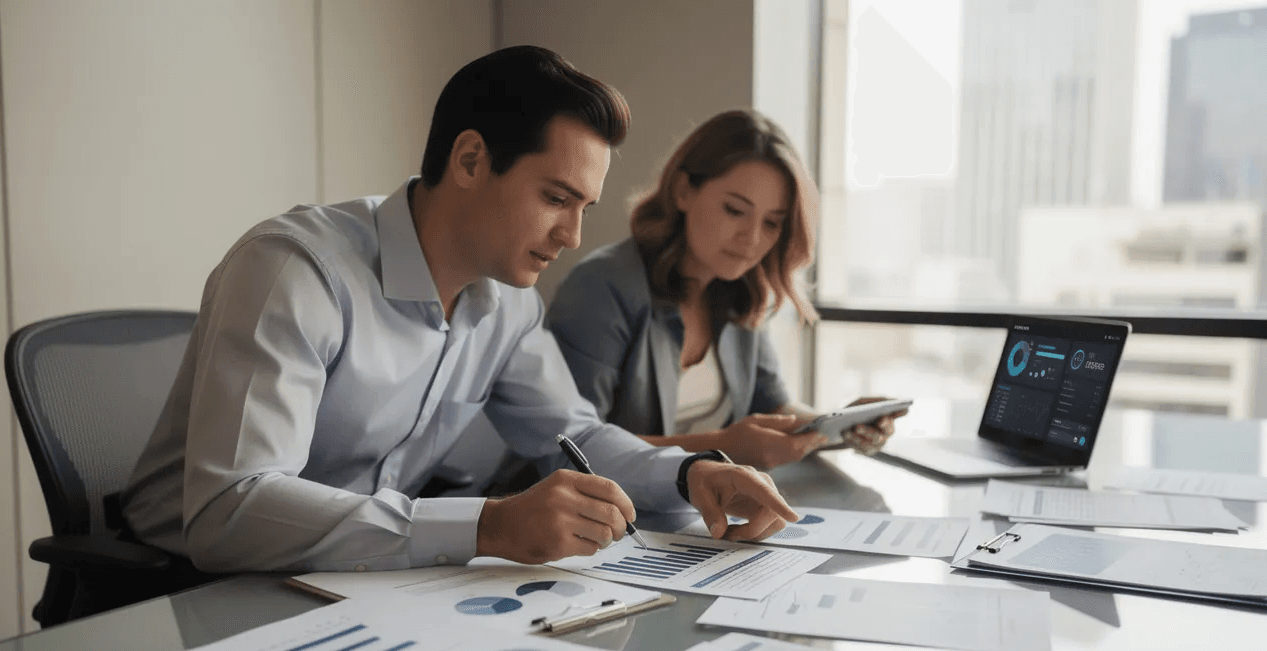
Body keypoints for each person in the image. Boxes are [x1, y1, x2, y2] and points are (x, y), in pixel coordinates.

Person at [121, 47, 799, 578]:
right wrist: (486, 525)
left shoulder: (507, 304)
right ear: (471, 159)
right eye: (556, 198)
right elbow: (228, 512)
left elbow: (574, 436)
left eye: (584, 208)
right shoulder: (295, 272)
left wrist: (693, 472)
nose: (573, 237)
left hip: (356, 579)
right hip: (182, 587)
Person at [546, 110, 905, 471]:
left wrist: (838, 425)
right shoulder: (601, 287)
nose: (751, 239)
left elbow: (776, 410)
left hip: (697, 514)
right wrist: (721, 448)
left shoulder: (741, 293)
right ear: (684, 191)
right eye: (735, 210)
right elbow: (571, 447)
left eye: (771, 222)